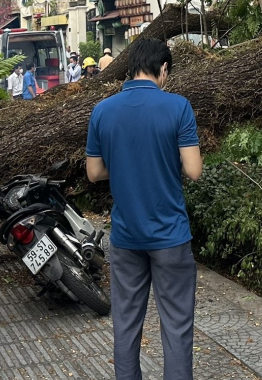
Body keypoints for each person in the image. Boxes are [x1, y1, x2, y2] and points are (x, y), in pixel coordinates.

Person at [86, 37, 203, 380]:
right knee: (177, 327)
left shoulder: (103, 111)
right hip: (170, 237)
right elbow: (194, 171)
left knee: (125, 323)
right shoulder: (178, 107)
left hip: (125, 237)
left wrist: (123, 164)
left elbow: (94, 172)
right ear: (163, 68)